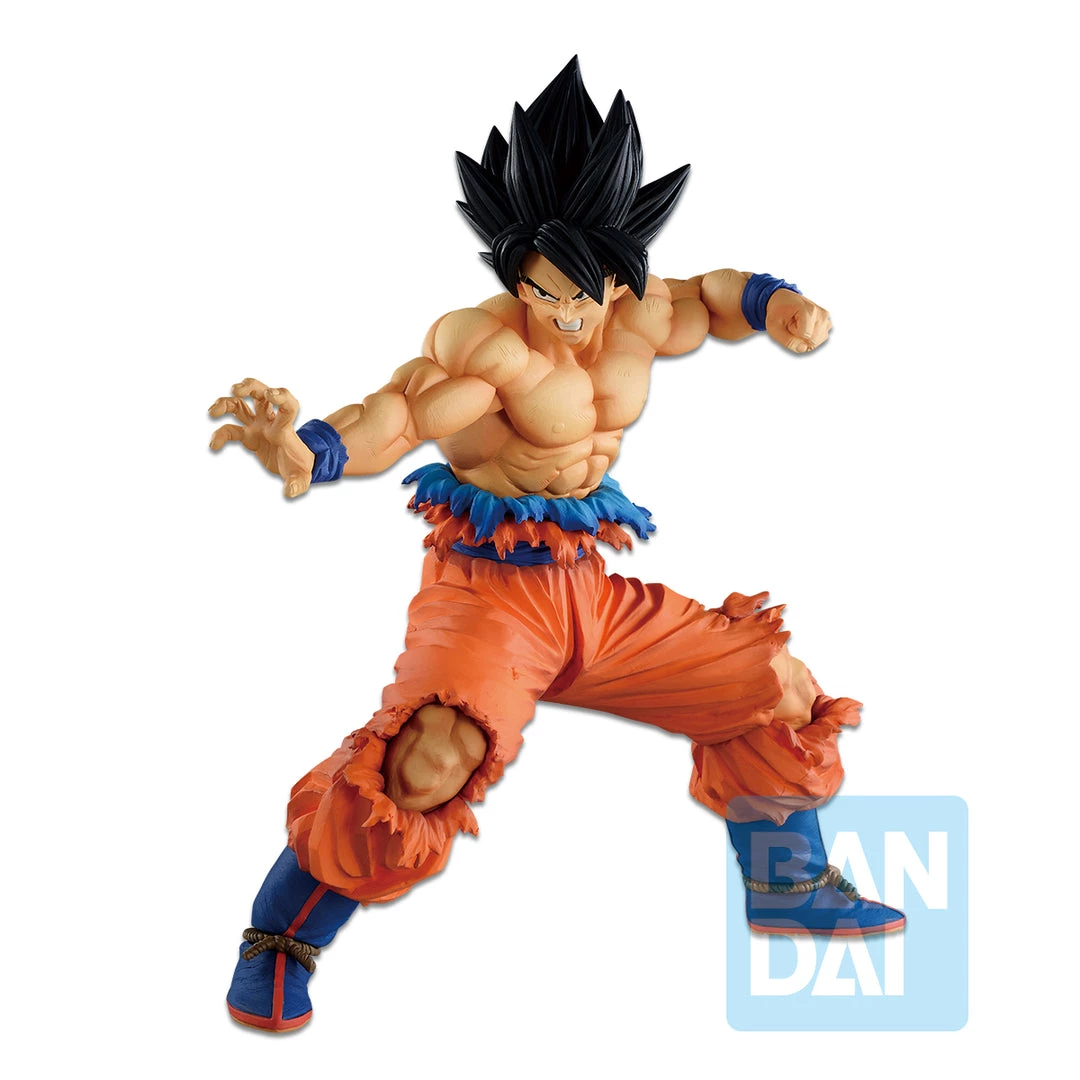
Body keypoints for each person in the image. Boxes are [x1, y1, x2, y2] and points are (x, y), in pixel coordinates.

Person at [211, 58, 903, 1034]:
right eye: (538, 288)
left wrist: (776, 304)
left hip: (588, 590)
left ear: (619, 268)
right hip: (488, 597)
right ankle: (279, 942)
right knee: (428, 760)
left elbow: (715, 296)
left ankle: (788, 888)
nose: (561, 313)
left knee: (772, 683)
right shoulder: (486, 345)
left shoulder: (642, 312)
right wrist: (313, 449)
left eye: (580, 290)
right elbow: (401, 411)